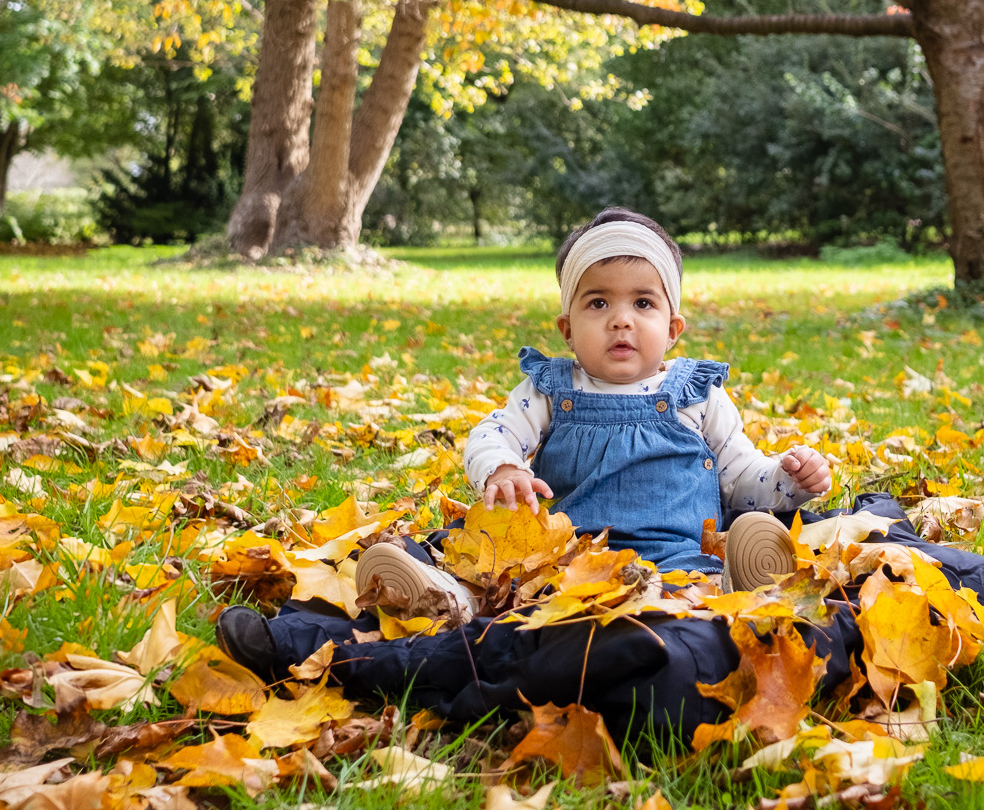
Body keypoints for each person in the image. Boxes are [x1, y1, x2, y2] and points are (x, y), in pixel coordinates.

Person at [350, 208, 835, 622]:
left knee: (683, 590)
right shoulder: (550, 389)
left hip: (669, 554)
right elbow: (492, 432)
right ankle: (443, 599)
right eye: (598, 302)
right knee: (507, 581)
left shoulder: (697, 395)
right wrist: (502, 466)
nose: (620, 319)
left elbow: (739, 476)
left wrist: (785, 479)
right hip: (561, 557)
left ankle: (741, 581)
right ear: (567, 328)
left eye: (642, 303)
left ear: (672, 328)